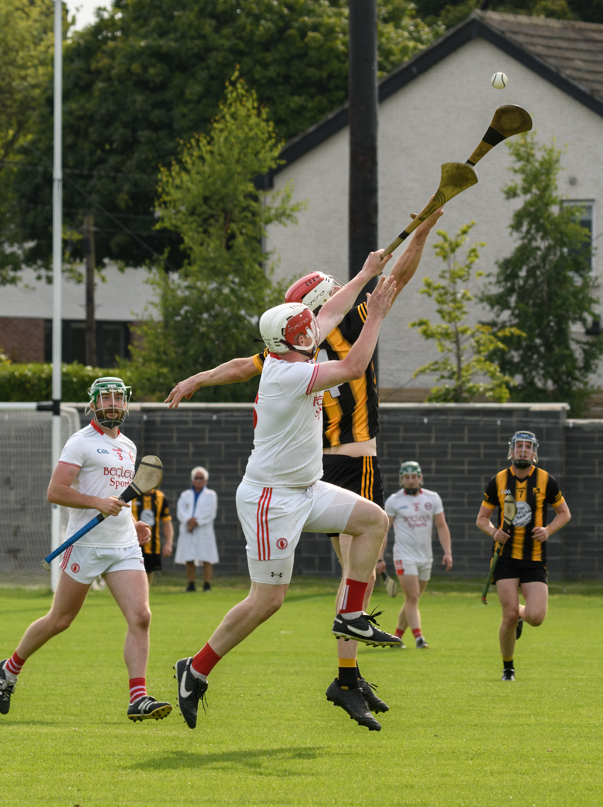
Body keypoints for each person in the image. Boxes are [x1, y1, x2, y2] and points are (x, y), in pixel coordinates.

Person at [165, 205, 444, 729]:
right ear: (294, 338)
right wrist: (378, 307)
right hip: (271, 498)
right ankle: (195, 668)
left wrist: (363, 276)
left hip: (305, 486)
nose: (315, 327)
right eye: (306, 327)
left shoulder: (283, 354)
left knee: (373, 521)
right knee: (267, 601)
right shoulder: (291, 375)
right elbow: (355, 364)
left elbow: (330, 314)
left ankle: (351, 614)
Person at [0, 377, 172, 723]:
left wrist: (131, 524)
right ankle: (10, 668)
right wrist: (94, 503)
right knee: (60, 620)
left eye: (118, 399)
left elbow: (120, 496)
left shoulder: (130, 447)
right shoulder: (80, 442)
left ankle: (138, 698)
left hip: (123, 545)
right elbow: (55, 491)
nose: (113, 405)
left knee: (141, 617)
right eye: (106, 399)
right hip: (84, 544)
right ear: (93, 404)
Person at [475, 431, 571, 681]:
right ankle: (508, 667)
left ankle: (520, 612)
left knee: (537, 618)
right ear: (511, 450)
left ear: (534, 452)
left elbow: (564, 513)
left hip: (535, 559)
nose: (523, 450)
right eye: (519, 446)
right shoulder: (498, 481)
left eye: (528, 447)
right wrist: (494, 533)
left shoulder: (545, 480)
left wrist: (548, 530)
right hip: (505, 558)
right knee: (507, 615)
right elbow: (481, 520)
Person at [384, 461, 452, 649]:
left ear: (420, 478)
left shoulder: (433, 498)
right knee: (413, 597)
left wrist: (448, 552)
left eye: (414, 477)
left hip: (425, 557)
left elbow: (441, 526)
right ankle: (419, 638)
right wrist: (379, 557)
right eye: (407, 477)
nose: (411, 480)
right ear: (401, 480)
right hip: (404, 556)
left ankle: (396, 638)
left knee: (411, 600)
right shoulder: (393, 501)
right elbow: (384, 530)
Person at [175, 467, 219, 592]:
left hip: (203, 530)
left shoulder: (211, 495)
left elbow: (209, 513)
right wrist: (189, 520)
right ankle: (191, 584)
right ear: (192, 480)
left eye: (201, 478)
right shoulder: (185, 495)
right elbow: (181, 511)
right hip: (188, 529)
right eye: (196, 478)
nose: (198, 480)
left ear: (205, 480)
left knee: (206, 558)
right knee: (188, 558)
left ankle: (207, 584)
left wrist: (196, 522)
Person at [130, 488, 173, 586]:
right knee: (134, 571)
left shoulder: (160, 497)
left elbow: (167, 522)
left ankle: (144, 596)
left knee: (149, 572)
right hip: (133, 542)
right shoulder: (132, 495)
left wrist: (169, 543)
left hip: (152, 544)